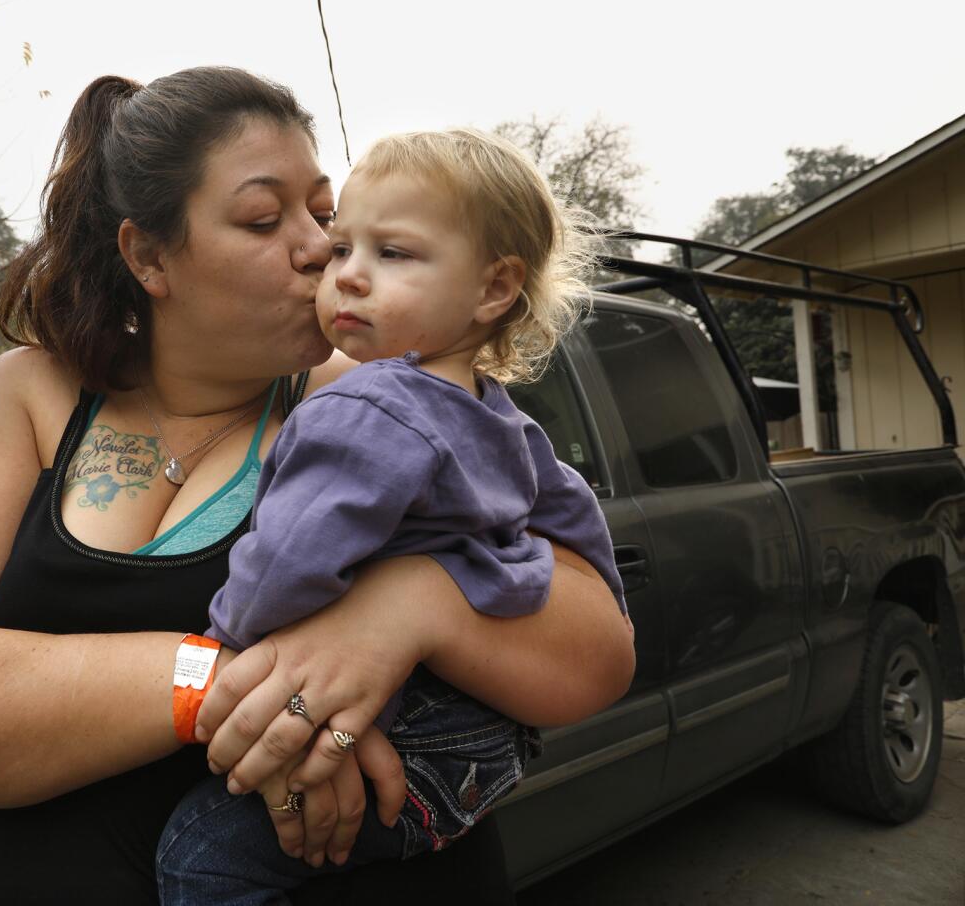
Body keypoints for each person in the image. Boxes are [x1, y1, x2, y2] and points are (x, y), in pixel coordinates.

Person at [0, 66, 636, 905]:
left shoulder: (389, 399)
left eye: (324, 215)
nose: (320, 248)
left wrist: (414, 607)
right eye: (264, 219)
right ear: (148, 256)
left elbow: (598, 651)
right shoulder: (27, 397)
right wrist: (228, 688)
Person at [153, 128, 628, 905]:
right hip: (484, 746)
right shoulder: (507, 422)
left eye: (394, 255)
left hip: (404, 732)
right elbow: (583, 542)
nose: (349, 278)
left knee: (201, 857)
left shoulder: (366, 405)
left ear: (492, 289)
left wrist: (222, 650)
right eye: (342, 251)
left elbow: (288, 559)